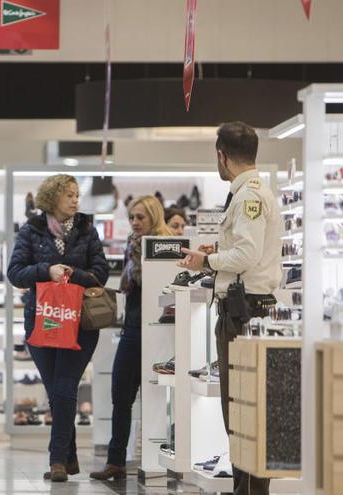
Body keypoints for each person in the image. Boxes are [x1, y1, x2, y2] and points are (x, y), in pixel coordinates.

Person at [178, 122, 281, 495]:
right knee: (240, 414)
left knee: (244, 414)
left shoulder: (248, 195)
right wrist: (215, 255)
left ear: (222, 155)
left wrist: (205, 262)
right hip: (246, 312)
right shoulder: (249, 193)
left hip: (245, 315)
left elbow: (247, 255)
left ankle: (251, 491)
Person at [7, 174, 110, 482]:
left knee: (64, 386)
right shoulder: (31, 230)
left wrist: (73, 274)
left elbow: (101, 272)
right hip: (43, 320)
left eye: (77, 195)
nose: (76, 200)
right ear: (52, 198)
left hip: (80, 322)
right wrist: (46, 272)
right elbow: (15, 272)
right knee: (57, 392)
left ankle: (57, 462)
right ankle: (71, 456)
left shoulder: (87, 229)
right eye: (69, 195)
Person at [91, 195, 172, 481]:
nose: (135, 223)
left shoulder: (163, 245)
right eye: (132, 218)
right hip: (134, 327)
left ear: (153, 217)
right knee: (121, 395)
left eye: (141, 217)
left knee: (152, 395)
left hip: (156, 329)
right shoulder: (133, 246)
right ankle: (116, 461)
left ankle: (158, 459)